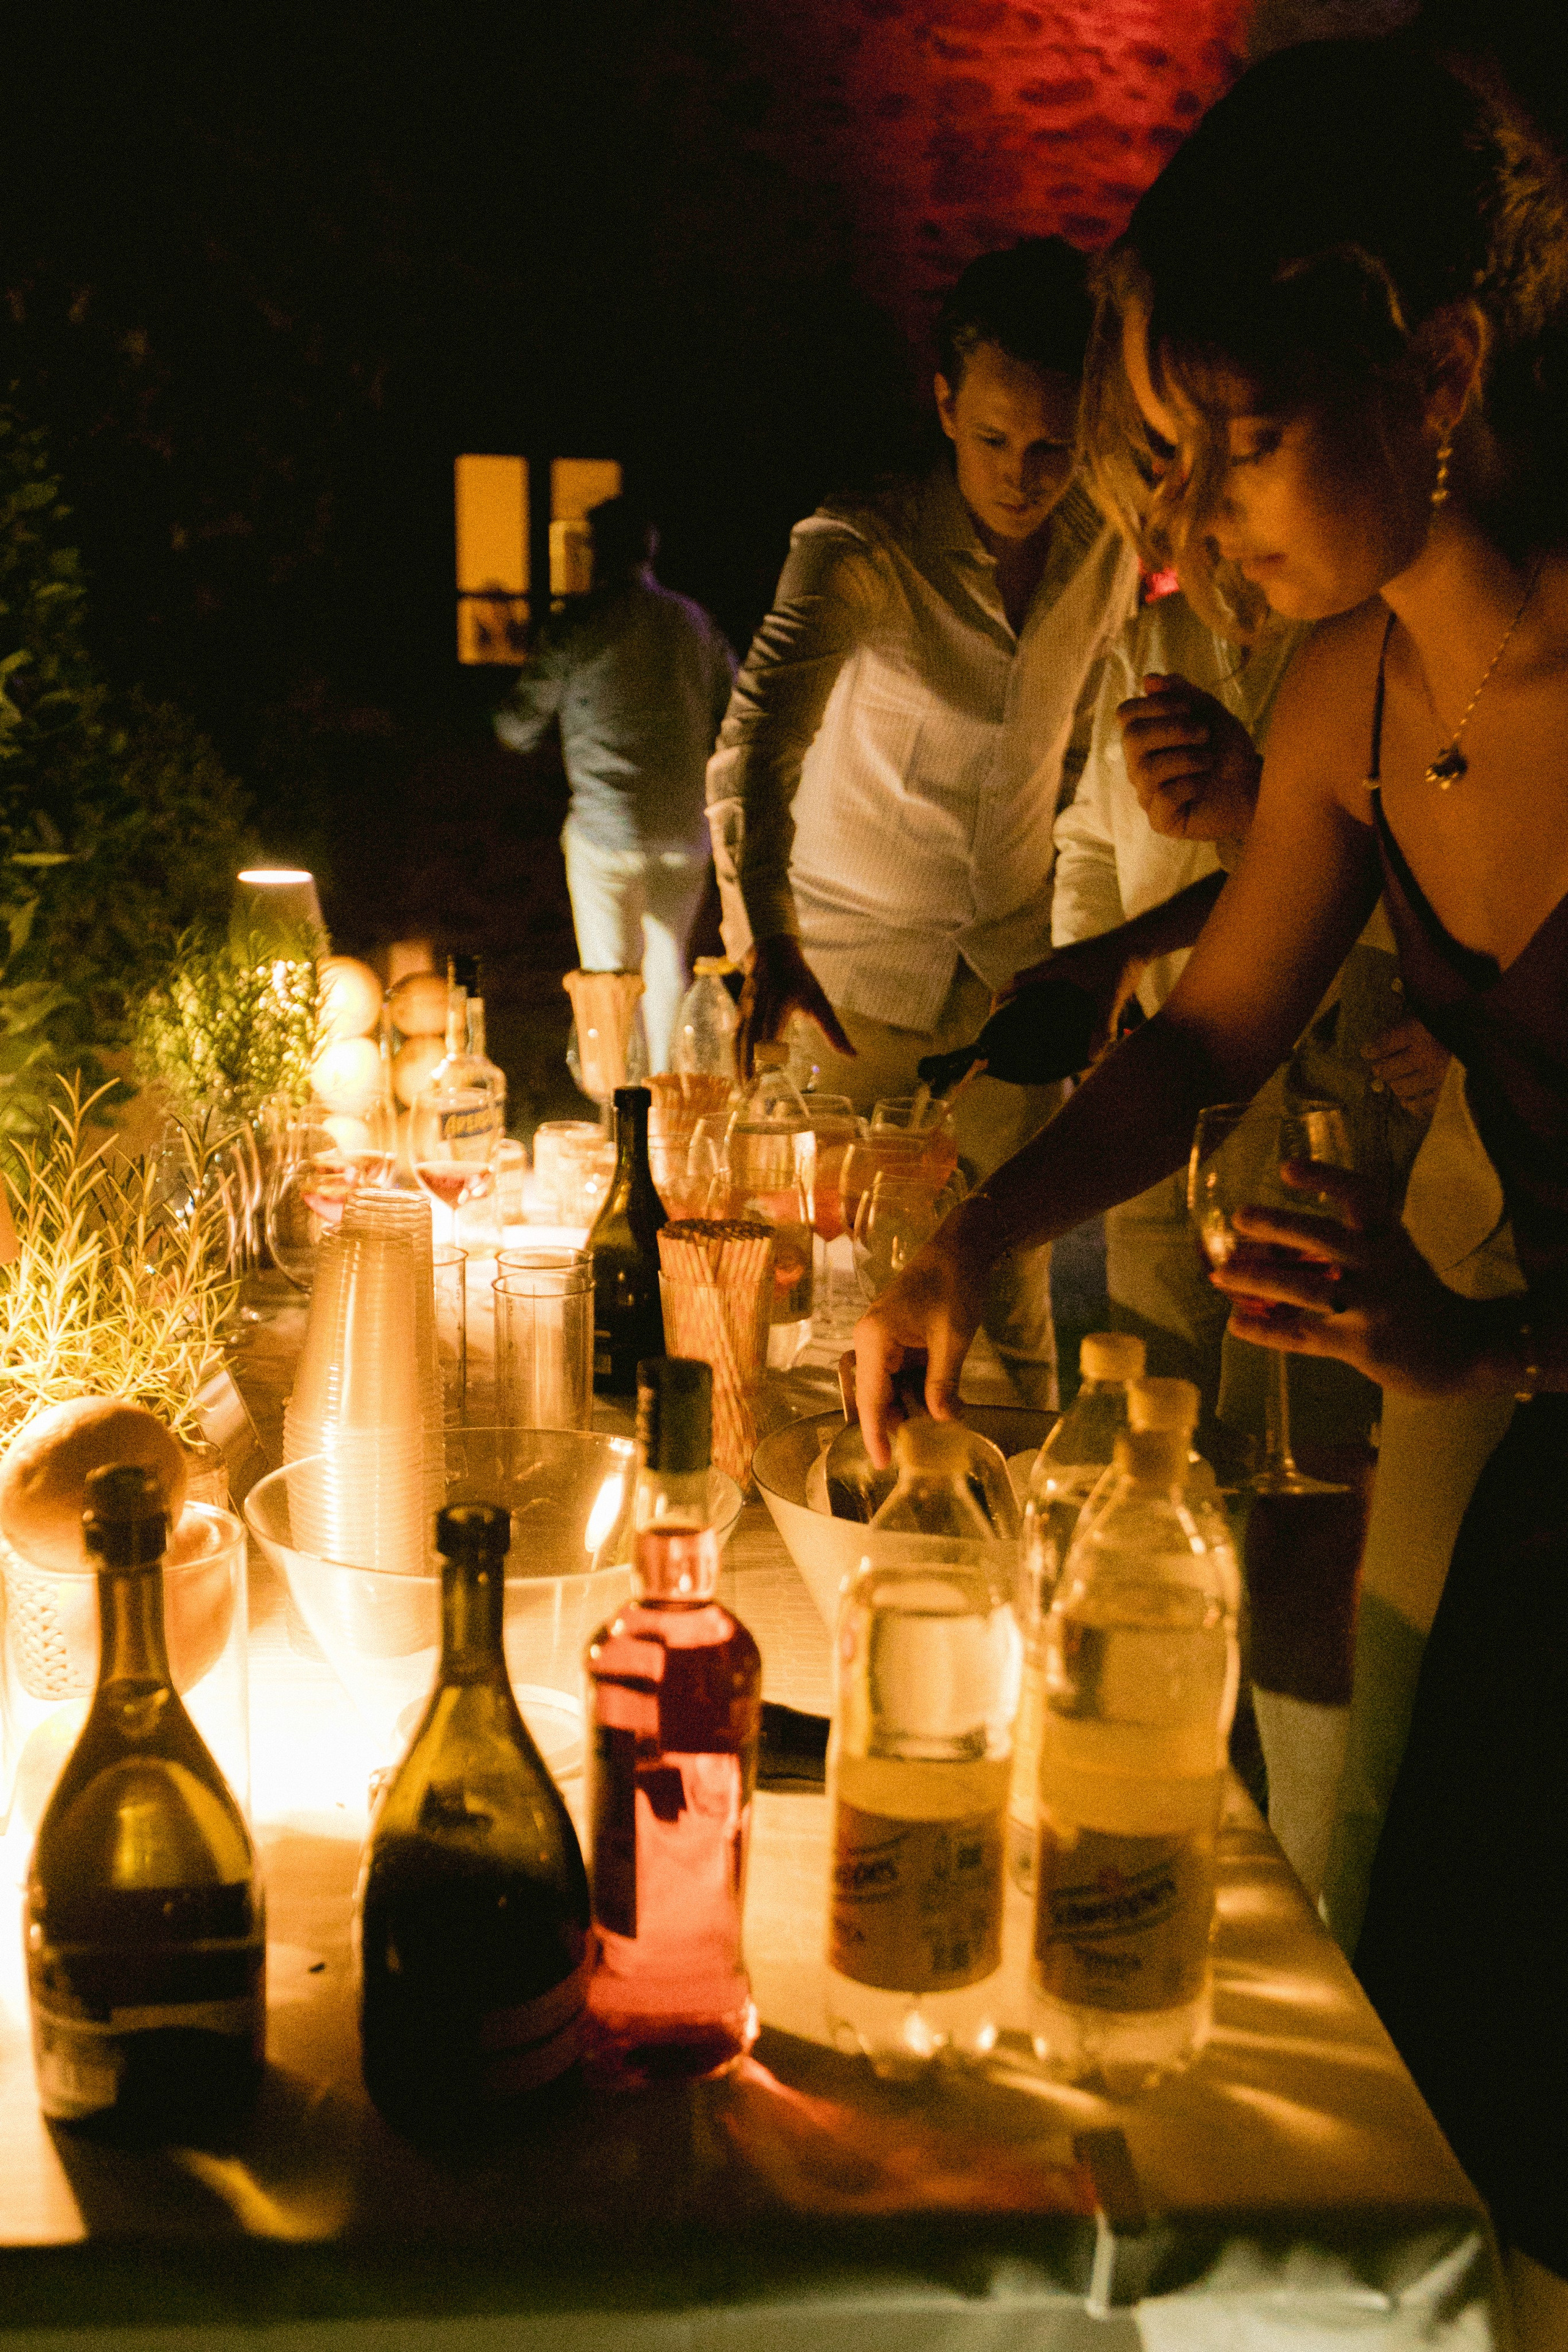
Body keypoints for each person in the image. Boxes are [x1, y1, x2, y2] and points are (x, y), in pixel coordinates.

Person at [852, 36, 1568, 2328]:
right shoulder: (1352, 688)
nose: (1178, 535)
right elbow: (1198, 1044)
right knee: (1477, 2125)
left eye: (1232, 442)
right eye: (1158, 461)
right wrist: (966, 1232)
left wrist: (1475, 1341)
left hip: (1531, 1399)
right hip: (1552, 1476)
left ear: (1436, 367)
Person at [707, 239, 1139, 1400]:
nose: (1022, 471)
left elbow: (1089, 759)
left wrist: (1089, 952)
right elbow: (755, 748)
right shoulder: (861, 546)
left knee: (1015, 1298)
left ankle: (1015, 1536)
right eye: (994, 438)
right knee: (810, 1311)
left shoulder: (1108, 543)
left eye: (1054, 443)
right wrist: (771, 935)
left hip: (1007, 984)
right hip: (838, 990)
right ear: (945, 404)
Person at [495, 497, 736, 1070]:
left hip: (607, 827)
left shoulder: (576, 625)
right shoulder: (695, 622)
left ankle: (617, 1111)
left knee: (609, 976)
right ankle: (666, 1109)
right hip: (684, 827)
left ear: (595, 553)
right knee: (666, 963)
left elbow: (517, 726)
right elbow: (738, 709)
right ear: (650, 551)